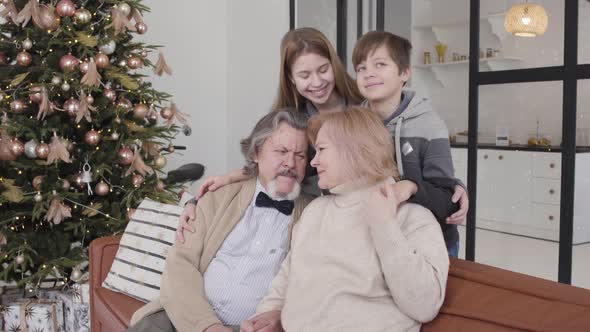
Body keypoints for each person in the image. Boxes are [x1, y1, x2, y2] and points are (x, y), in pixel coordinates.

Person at [242, 107, 449, 332]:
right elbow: (288, 275)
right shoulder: (316, 211)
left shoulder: (413, 218)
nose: (313, 162)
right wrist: (270, 311)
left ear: (355, 151)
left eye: (321, 150)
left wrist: (384, 225)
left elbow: (425, 305)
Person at [127, 110, 313, 332]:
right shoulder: (218, 197)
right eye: (281, 151)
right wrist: (207, 326)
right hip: (185, 317)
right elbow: (180, 265)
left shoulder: (314, 215)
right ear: (256, 153)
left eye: (300, 155)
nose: (290, 163)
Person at [176, 27, 363, 241]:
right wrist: (197, 202)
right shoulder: (292, 122)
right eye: (304, 75)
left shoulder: (363, 103)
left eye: (323, 70)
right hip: (322, 215)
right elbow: (269, 165)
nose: (317, 82)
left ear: (334, 65)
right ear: (291, 78)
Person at [352, 31, 467, 256]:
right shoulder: (352, 125)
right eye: (361, 68)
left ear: (404, 73)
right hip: (373, 241)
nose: (368, 74)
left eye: (380, 64)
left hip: (430, 243)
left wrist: (411, 187)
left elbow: (447, 201)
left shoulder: (430, 126)